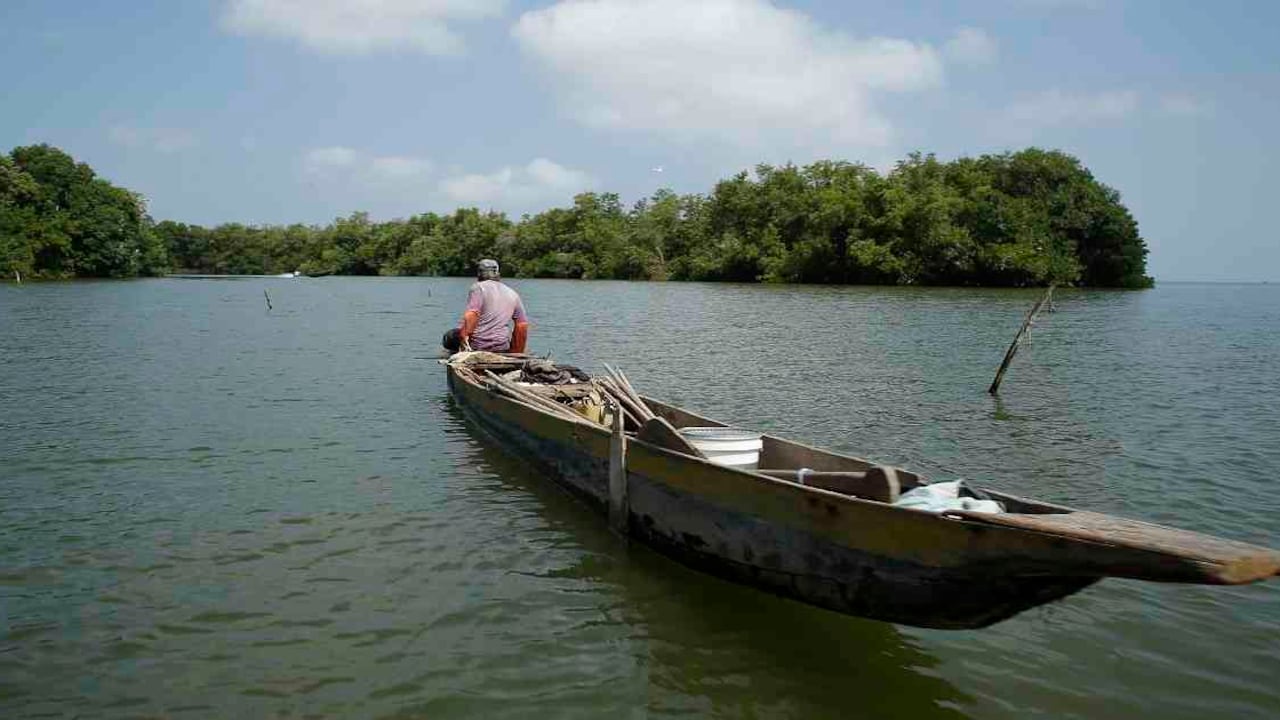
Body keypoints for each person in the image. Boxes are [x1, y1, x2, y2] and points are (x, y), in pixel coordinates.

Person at [442, 259, 528, 353]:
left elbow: (472, 315)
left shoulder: (478, 287)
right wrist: (516, 352)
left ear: (479, 273)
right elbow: (522, 325)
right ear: (497, 273)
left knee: (450, 336)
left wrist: (463, 341)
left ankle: (457, 353)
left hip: (478, 345)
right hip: (502, 346)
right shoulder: (512, 293)